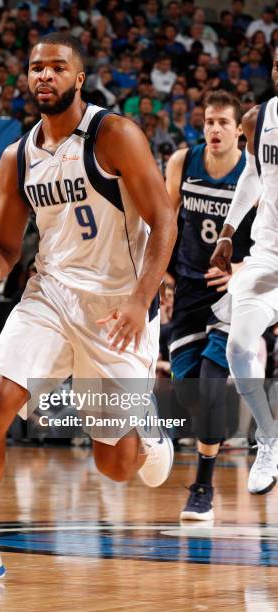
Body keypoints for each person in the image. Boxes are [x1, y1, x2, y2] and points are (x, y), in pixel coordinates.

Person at [0, 32, 177, 583]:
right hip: (50, 295)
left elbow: (164, 218)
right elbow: (4, 248)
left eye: (57, 67)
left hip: (119, 309)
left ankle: (148, 429)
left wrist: (141, 302)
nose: (44, 75)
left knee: (114, 467)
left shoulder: (114, 135)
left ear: (79, 77)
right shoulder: (17, 157)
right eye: (36, 67)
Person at [165, 90, 255, 520]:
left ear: (240, 129)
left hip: (232, 296)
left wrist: (239, 269)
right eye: (208, 121)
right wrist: (159, 276)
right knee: (190, 395)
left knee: (209, 386)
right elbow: (163, 223)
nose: (214, 129)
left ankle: (203, 488)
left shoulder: (255, 174)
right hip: (187, 290)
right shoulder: (182, 162)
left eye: (223, 122)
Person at [210, 48, 278, 495]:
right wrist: (229, 231)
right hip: (268, 255)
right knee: (237, 347)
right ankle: (268, 438)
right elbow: (252, 176)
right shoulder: (259, 116)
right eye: (275, 63)